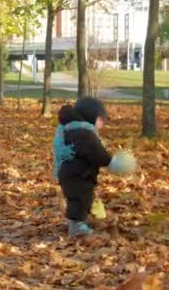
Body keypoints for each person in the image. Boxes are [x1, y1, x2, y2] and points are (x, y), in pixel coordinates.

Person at [52, 97, 127, 236]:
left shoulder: (76, 130)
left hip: (75, 173)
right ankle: (76, 227)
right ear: (91, 116)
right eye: (101, 119)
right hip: (77, 175)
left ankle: (77, 222)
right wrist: (110, 161)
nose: (103, 122)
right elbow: (96, 152)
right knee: (80, 199)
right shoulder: (84, 134)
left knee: (81, 198)